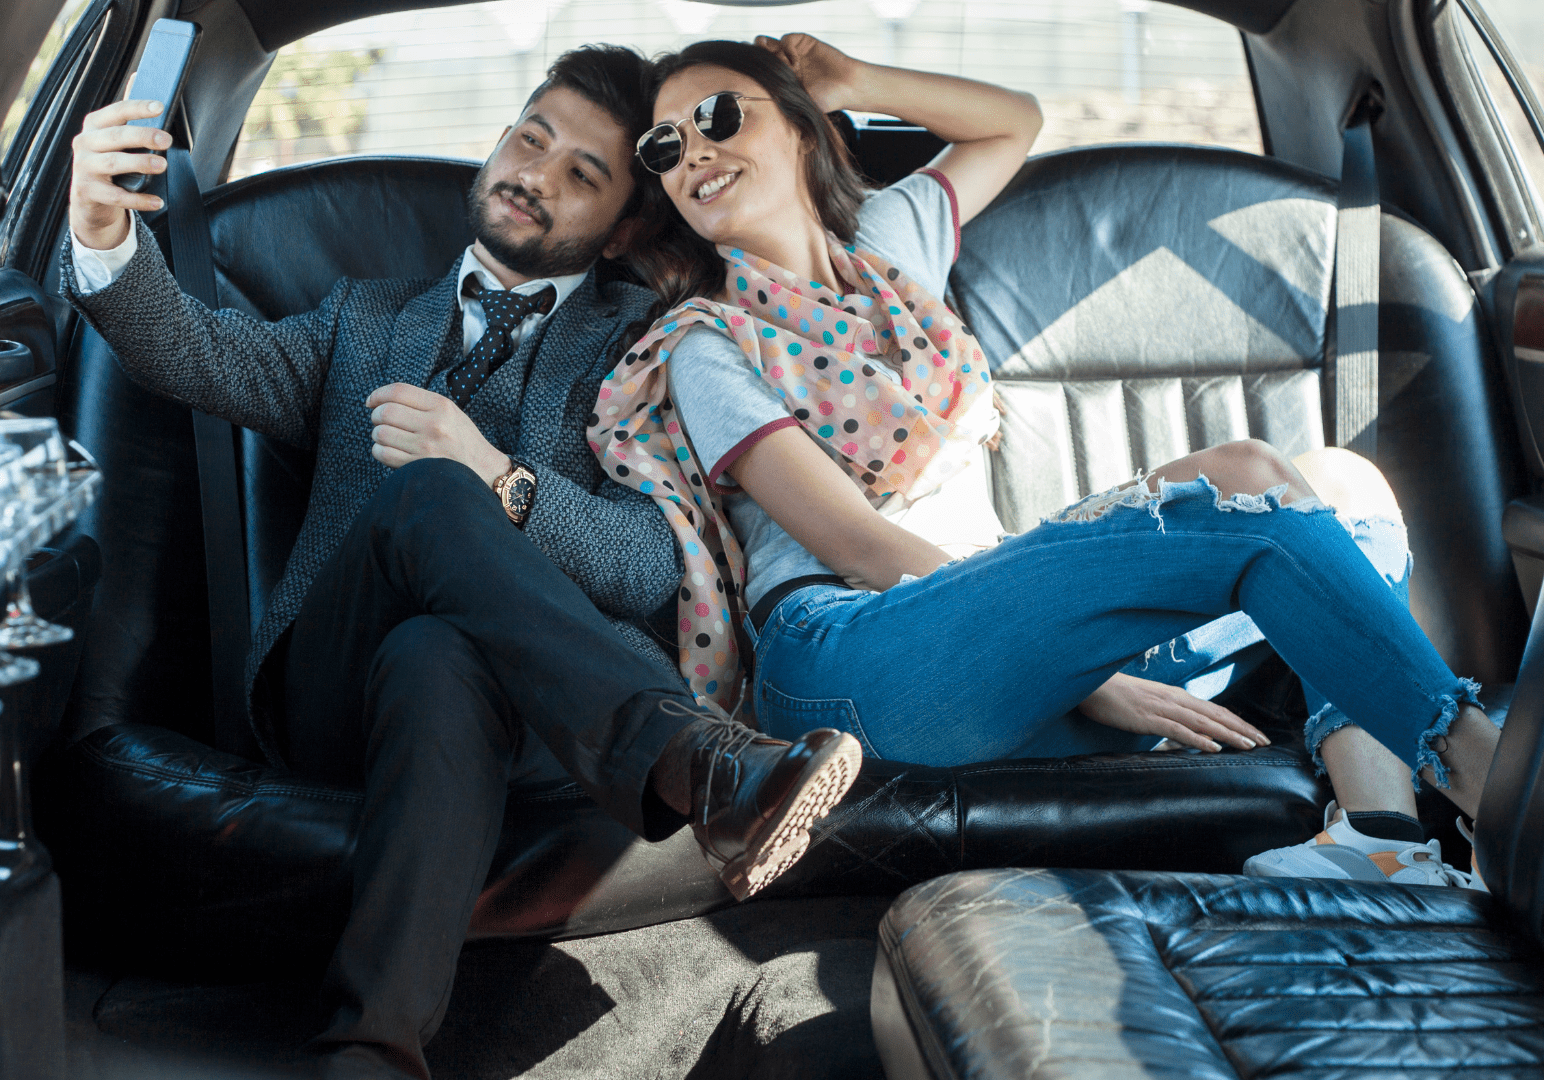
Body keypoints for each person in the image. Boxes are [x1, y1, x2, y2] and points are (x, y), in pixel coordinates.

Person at [63, 45, 859, 1080]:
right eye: (530, 140)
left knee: (439, 648)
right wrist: (101, 232)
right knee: (426, 499)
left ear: (624, 227)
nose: (535, 174)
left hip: (537, 726)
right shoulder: (363, 319)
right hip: (332, 695)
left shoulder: (648, 344)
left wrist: (501, 478)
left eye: (582, 173)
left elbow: (649, 565)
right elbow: (194, 353)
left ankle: (371, 1050)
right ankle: (687, 760)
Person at [591, 34, 1504, 894]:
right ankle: (1495, 786)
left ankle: (1381, 843)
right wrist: (1094, 677)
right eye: (663, 148)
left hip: (1009, 656)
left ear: (799, 126)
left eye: (717, 116)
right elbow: (857, 542)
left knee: (1345, 483)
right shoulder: (706, 343)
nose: (692, 152)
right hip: (850, 656)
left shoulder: (890, 247)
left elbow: (1012, 122)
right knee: (1246, 476)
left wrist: (854, 81)